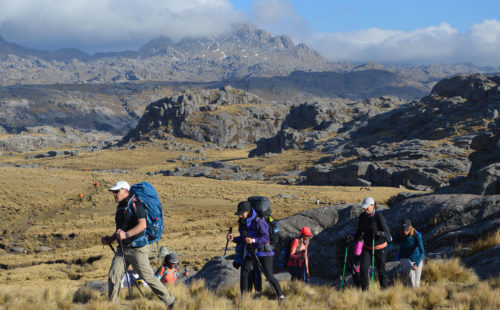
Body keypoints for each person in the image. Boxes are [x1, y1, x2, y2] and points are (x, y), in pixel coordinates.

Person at [101, 181, 175, 308]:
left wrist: (126, 235)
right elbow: (121, 229)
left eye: (116, 191)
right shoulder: (120, 207)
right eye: (113, 192)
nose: (114, 194)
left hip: (138, 249)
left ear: (125, 190)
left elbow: (143, 224)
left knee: (149, 278)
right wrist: (111, 239)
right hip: (123, 249)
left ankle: (170, 301)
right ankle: (112, 306)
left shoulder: (136, 204)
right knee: (114, 275)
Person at [226, 201, 285, 300]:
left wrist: (253, 240)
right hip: (252, 252)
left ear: (248, 211)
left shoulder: (259, 222)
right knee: (244, 273)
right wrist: (234, 239)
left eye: (241, 213)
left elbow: (265, 238)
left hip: (265, 253)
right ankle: (244, 298)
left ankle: (281, 296)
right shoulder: (244, 223)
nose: (240, 216)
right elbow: (244, 238)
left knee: (269, 276)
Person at [353, 196, 392, 291]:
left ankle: (384, 291)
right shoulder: (362, 216)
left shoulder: (379, 217)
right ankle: (365, 292)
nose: (365, 209)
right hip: (367, 247)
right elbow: (359, 232)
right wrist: (352, 237)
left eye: (367, 207)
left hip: (380, 248)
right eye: (364, 207)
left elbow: (388, 235)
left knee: (381, 271)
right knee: (363, 269)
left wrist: (378, 233)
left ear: (373, 205)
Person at [396, 219, 424, 287]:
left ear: (410, 227)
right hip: (404, 257)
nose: (405, 232)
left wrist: (417, 264)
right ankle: (411, 292)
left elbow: (422, 252)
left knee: (417, 283)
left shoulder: (416, 235)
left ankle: (415, 296)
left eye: (406, 229)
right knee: (409, 269)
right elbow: (391, 243)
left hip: (417, 258)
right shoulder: (399, 234)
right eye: (403, 230)